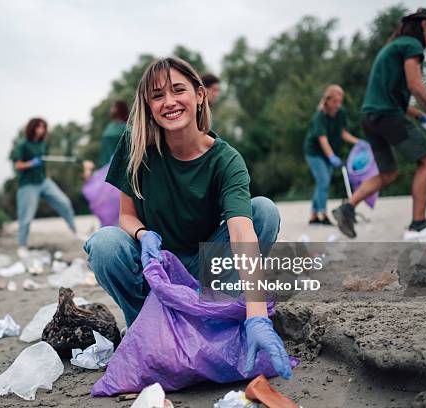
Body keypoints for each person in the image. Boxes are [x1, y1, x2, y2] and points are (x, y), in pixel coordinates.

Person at [84, 57, 292, 380]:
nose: (168, 102)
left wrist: (256, 316)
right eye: (157, 95)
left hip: (205, 273)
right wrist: (142, 235)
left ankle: (211, 316)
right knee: (104, 243)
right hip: (156, 271)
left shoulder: (225, 159)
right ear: (148, 105)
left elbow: (240, 231)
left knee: (263, 211)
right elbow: (125, 215)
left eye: (178, 90)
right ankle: (146, 326)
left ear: (199, 95)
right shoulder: (135, 146)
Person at [332, 8, 426, 239]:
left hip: (370, 117)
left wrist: (418, 115)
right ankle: (418, 224)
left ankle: (347, 207)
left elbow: (393, 94)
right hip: (387, 115)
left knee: (388, 172)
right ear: (424, 24)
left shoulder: (392, 47)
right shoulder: (411, 46)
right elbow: (415, 85)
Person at [12, 117, 77, 258]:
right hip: (28, 185)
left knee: (64, 202)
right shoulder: (23, 145)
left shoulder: (43, 145)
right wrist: (30, 163)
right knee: (26, 217)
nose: (41, 130)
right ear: (32, 128)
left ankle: (75, 231)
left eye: (43, 127)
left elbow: (44, 164)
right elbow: (17, 165)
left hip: (44, 182)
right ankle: (22, 246)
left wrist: (46, 177)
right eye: (38, 127)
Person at [303, 85, 364, 225]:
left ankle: (313, 216)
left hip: (329, 152)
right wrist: (331, 156)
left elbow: (342, 132)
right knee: (323, 181)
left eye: (340, 101)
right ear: (328, 100)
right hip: (314, 153)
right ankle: (323, 214)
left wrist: (358, 142)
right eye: (335, 101)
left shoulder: (340, 112)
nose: (338, 104)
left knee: (321, 183)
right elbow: (322, 139)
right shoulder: (320, 115)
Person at [83, 100, 129, 180]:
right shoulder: (109, 126)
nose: (111, 109)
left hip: (118, 169)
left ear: (120, 109)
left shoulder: (126, 127)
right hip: (104, 167)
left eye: (114, 107)